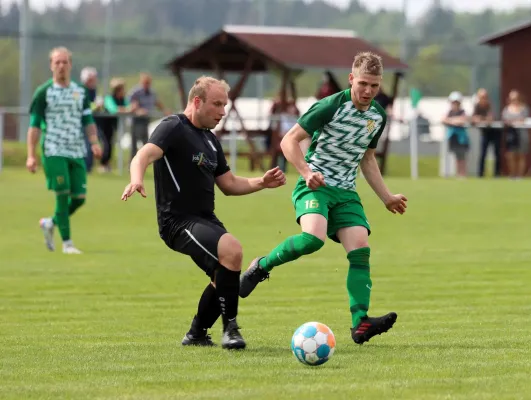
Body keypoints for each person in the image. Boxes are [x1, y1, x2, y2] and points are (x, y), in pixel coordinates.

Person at [238, 52, 408, 345]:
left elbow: (367, 160)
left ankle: (360, 323)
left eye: (375, 86)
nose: (368, 91)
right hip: (314, 185)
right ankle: (261, 266)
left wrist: (386, 197)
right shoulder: (330, 106)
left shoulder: (377, 116)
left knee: (360, 248)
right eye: (364, 84)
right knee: (312, 239)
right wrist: (305, 171)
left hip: (346, 192)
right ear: (351, 79)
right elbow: (288, 140)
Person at [120, 76, 286, 349]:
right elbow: (143, 155)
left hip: (204, 219)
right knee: (232, 251)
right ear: (197, 102)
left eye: (225, 105)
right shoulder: (173, 127)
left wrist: (262, 183)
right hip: (177, 220)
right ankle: (230, 329)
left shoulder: (210, 141)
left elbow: (229, 184)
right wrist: (136, 178)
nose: (223, 112)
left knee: (223, 274)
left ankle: (196, 334)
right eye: (217, 104)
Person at [26, 47, 102, 254]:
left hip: (76, 150)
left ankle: (50, 222)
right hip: (53, 149)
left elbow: (87, 119)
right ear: (51, 65)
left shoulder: (80, 91)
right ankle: (67, 244)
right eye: (57, 62)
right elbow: (34, 125)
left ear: (70, 65)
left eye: (65, 62)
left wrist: (94, 142)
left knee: (79, 199)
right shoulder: (44, 92)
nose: (61, 66)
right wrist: (31, 155)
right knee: (62, 193)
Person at [472, 88, 501, 177]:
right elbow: (474, 118)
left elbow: (491, 118)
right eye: (481, 97)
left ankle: (496, 174)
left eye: (484, 97)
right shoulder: (477, 106)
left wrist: (481, 119)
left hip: (495, 132)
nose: (483, 99)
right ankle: (480, 174)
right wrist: (480, 119)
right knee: (483, 153)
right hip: (485, 132)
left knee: (496, 153)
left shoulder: (490, 105)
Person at [502, 90, 530, 179]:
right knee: (510, 155)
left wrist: (515, 121)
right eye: (512, 99)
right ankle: (512, 175)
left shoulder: (524, 108)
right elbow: (505, 120)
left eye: (516, 98)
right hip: (511, 134)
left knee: (521, 154)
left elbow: (524, 119)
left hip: (522, 133)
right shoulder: (506, 109)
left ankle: (520, 176)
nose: (514, 100)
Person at [442, 91, 470, 178]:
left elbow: (463, 119)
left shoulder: (462, 111)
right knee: (456, 157)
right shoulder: (449, 112)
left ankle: (463, 174)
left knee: (462, 156)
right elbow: (444, 119)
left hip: (461, 138)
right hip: (453, 137)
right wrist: (454, 121)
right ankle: (458, 174)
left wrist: (452, 120)